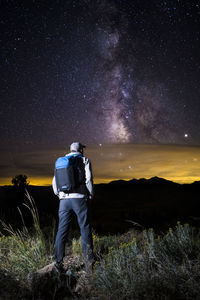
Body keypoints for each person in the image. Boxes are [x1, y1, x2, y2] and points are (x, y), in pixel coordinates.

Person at [52, 142, 94, 271]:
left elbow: (54, 182)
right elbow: (88, 179)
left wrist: (60, 195)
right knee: (85, 228)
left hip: (63, 200)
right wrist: (90, 194)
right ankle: (88, 264)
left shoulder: (60, 161)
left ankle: (58, 263)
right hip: (79, 198)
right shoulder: (84, 160)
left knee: (62, 230)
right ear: (80, 150)